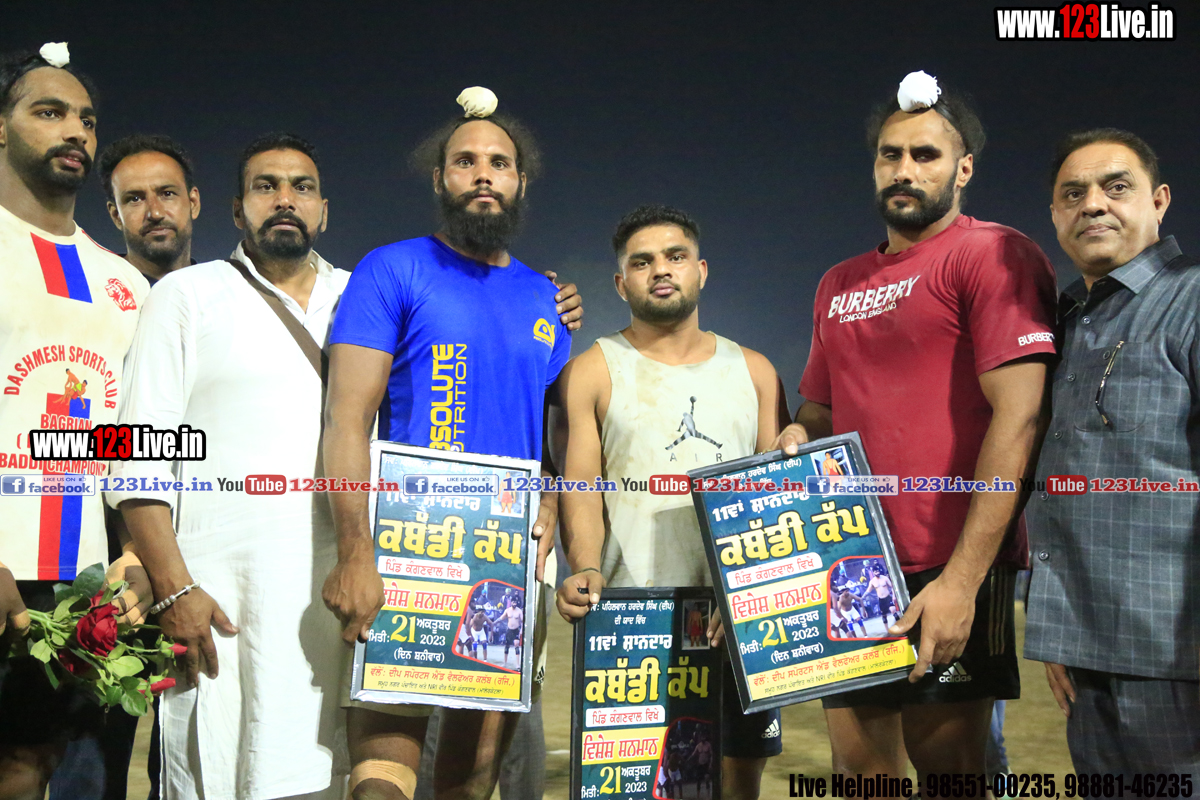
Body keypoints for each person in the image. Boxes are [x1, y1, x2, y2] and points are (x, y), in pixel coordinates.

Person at [774, 71, 1057, 776]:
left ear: (964, 169)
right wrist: (798, 436)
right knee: (861, 775)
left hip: (948, 557)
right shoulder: (838, 283)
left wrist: (962, 581)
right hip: (850, 560)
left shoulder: (994, 253)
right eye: (890, 154)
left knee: (950, 774)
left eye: (926, 155)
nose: (904, 169)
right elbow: (822, 408)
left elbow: (1021, 417)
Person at [320, 90, 581, 800]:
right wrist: (355, 552)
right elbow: (346, 422)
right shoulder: (391, 268)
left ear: (521, 181)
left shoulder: (547, 299)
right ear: (440, 179)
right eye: (465, 161)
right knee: (381, 778)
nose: (484, 173)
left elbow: (550, 431)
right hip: (408, 549)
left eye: (500, 162)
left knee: (470, 780)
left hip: (502, 559)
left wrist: (552, 497)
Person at [108, 132, 353, 800]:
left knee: (336, 776)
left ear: (323, 210)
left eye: (301, 187)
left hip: (344, 601)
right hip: (222, 609)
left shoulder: (365, 297)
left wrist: (546, 304)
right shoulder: (187, 295)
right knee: (223, 773)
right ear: (237, 209)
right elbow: (135, 456)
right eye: (265, 186)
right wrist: (174, 590)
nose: (285, 199)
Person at [554, 205, 789, 800]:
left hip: (735, 621)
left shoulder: (756, 371)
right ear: (621, 283)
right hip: (634, 617)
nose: (661, 270)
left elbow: (772, 499)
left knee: (738, 783)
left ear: (701, 271)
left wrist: (752, 591)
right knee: (637, 787)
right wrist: (584, 565)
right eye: (642, 262)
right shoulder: (592, 370)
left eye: (675, 256)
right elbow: (581, 485)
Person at [0, 44, 150, 800]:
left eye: (86, 119)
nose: (75, 132)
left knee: (47, 768)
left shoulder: (124, 282)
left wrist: (135, 551)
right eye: (49, 111)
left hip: (85, 580)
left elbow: (130, 436)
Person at [1025, 128, 1200, 771]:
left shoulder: (1191, 299)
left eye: (1115, 187)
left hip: (1177, 656)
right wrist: (1065, 631)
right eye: (1073, 194)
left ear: (1159, 201)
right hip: (1087, 650)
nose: (1093, 204)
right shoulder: (1068, 322)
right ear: (1055, 214)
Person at [98, 133, 201, 283]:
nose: (155, 213)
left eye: (167, 194)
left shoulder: (225, 293)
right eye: (135, 199)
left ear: (193, 203)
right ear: (116, 215)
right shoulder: (90, 292)